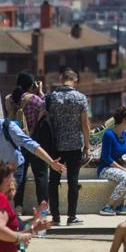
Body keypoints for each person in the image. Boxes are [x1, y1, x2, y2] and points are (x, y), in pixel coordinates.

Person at [45, 68, 92, 226]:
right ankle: (71, 217)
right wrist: (87, 146)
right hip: (74, 145)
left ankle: (55, 217)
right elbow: (85, 125)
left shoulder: (52, 97)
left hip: (56, 145)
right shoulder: (80, 98)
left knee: (53, 182)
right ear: (75, 80)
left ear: (61, 78)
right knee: (73, 180)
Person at [5, 72, 50, 212]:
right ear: (32, 85)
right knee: (41, 174)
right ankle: (42, 206)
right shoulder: (34, 99)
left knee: (20, 175)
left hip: (17, 142)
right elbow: (46, 107)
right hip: (33, 140)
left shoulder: (10, 99)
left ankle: (18, 206)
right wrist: (41, 91)